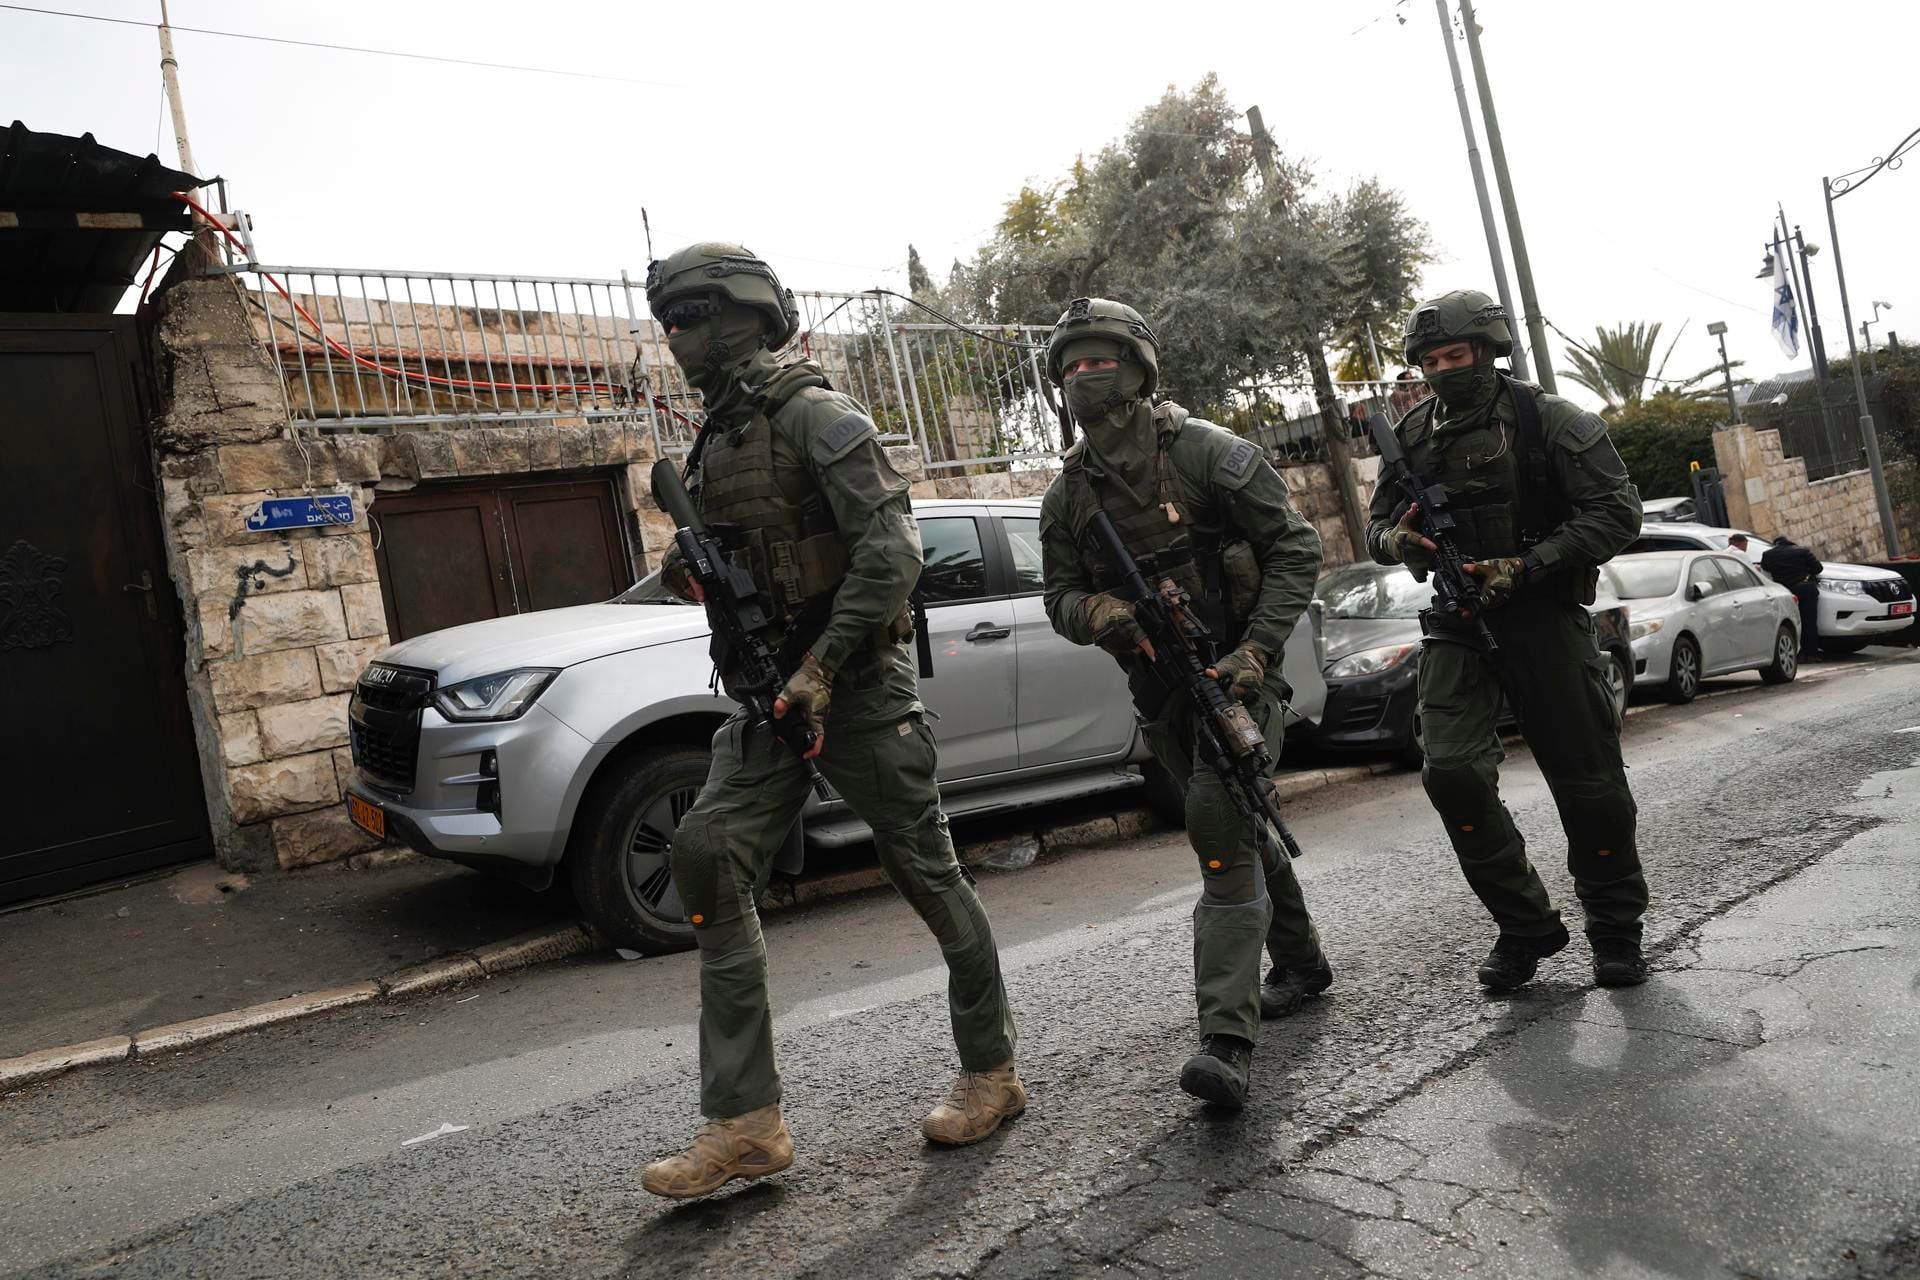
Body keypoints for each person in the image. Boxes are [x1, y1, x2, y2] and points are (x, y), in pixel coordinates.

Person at [640, 243, 1022, 1199]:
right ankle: (747, 1123)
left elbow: (891, 556)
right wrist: (691, 579)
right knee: (706, 853)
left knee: (926, 873)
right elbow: (745, 561)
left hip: (854, 692)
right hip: (768, 698)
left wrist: (817, 668)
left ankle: (993, 1073)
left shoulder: (820, 417)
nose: (679, 338)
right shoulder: (716, 442)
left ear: (746, 316)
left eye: (694, 317)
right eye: (669, 320)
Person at [1037, 297, 1330, 1110]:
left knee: (1216, 826)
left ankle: (1226, 1042)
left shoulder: (1209, 455)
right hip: (1161, 693)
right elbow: (1058, 594)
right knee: (1239, 818)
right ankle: (1303, 965)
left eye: (1099, 361)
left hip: (1239, 678)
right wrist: (1102, 614)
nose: (1084, 377)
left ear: (1137, 369)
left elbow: (1295, 545)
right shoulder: (1069, 496)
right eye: (1070, 367)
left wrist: (1256, 650)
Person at [1367, 289, 1651, 990]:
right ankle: (1524, 923)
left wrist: (1525, 565)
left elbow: (1618, 514)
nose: (1442, 369)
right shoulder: (1411, 437)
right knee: (1451, 773)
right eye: (1430, 360)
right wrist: (1397, 538)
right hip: (1459, 623)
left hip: (1543, 617)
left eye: (1455, 354)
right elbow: (1376, 529)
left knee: (1590, 788)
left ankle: (1615, 931)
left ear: (1489, 351)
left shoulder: (1550, 421)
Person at [1759, 533, 1824, 659]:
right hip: (1805, 589)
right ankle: (1811, 654)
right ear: (1789, 542)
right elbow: (1818, 569)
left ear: (1775, 545)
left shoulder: (1768, 555)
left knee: (1788, 623)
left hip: (1785, 593)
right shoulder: (1802, 551)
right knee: (1809, 622)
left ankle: (1794, 653)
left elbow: (1765, 568)